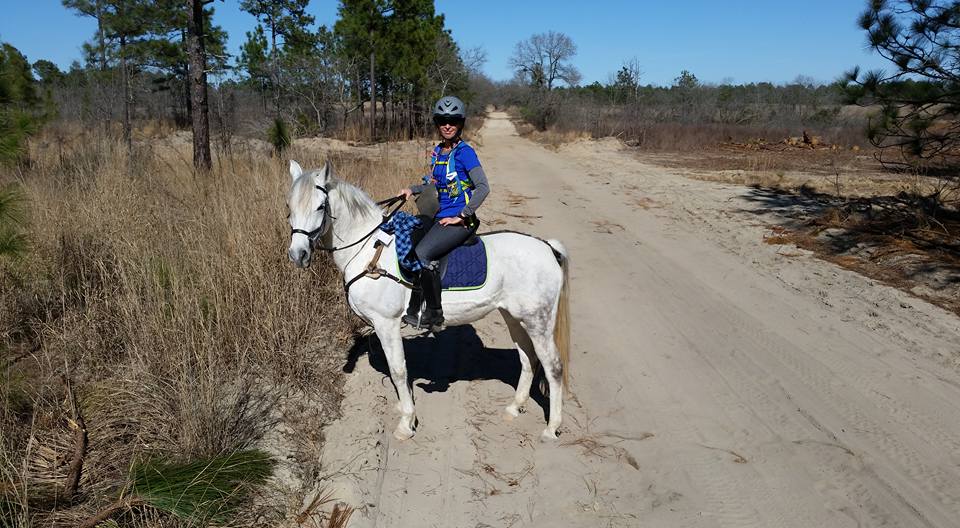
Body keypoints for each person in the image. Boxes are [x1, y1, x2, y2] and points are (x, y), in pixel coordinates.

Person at [396, 95, 490, 330]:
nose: (447, 125)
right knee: (410, 236)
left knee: (423, 253)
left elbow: (483, 188)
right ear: (437, 123)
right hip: (440, 217)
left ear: (461, 123)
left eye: (453, 121)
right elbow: (435, 185)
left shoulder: (465, 153)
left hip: (460, 222)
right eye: (442, 121)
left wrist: (462, 215)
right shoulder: (439, 152)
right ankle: (413, 306)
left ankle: (434, 313)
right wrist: (412, 189)